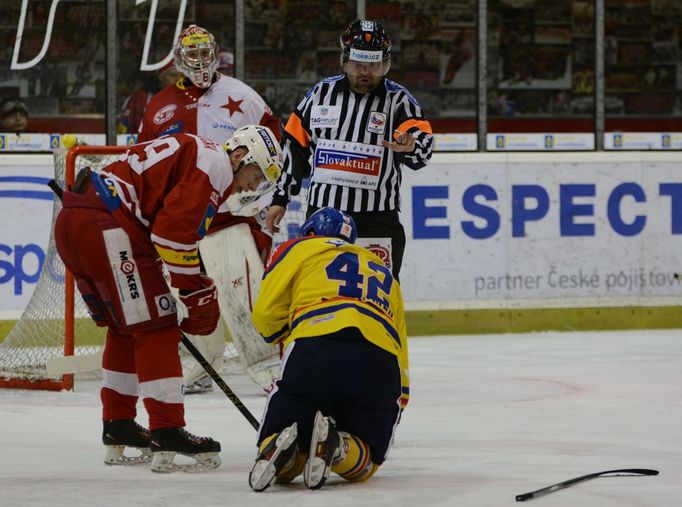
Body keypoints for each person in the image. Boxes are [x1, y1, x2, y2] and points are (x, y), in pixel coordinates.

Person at [53, 126, 283, 473]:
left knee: (125, 328)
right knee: (158, 326)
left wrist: (190, 281)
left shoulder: (198, 152)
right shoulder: (216, 165)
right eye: (255, 175)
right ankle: (167, 429)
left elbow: (167, 223)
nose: (252, 187)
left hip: (75, 220)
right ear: (239, 155)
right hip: (107, 224)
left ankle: (119, 424)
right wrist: (193, 288)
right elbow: (170, 235)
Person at [138, 24, 283, 394]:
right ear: (179, 59)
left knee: (244, 289)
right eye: (194, 55)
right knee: (189, 296)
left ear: (216, 53)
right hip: (180, 221)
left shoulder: (242, 95)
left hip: (228, 217)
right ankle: (201, 365)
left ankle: (266, 366)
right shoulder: (158, 107)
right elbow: (143, 159)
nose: (202, 62)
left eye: (207, 53)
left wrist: (265, 201)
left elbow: (274, 147)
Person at [247, 207, 409, 491]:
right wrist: (401, 394)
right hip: (380, 359)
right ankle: (338, 447)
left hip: (316, 346)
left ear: (309, 232)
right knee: (367, 460)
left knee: (276, 444)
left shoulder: (298, 248)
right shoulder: (382, 269)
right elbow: (400, 341)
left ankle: (284, 452)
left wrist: (279, 333)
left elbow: (265, 314)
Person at [265, 19, 434, 279]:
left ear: (385, 63)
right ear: (345, 60)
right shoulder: (320, 94)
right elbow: (295, 148)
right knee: (316, 289)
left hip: (377, 219)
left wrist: (409, 147)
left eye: (374, 65)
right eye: (358, 64)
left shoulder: (399, 100)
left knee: (379, 294)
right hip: (323, 216)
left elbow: (422, 149)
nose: (365, 71)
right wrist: (280, 198)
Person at [116, 61, 182, 134]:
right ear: (161, 78)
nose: (179, 79)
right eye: (173, 75)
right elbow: (126, 132)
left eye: (181, 76)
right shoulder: (142, 99)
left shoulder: (190, 99)